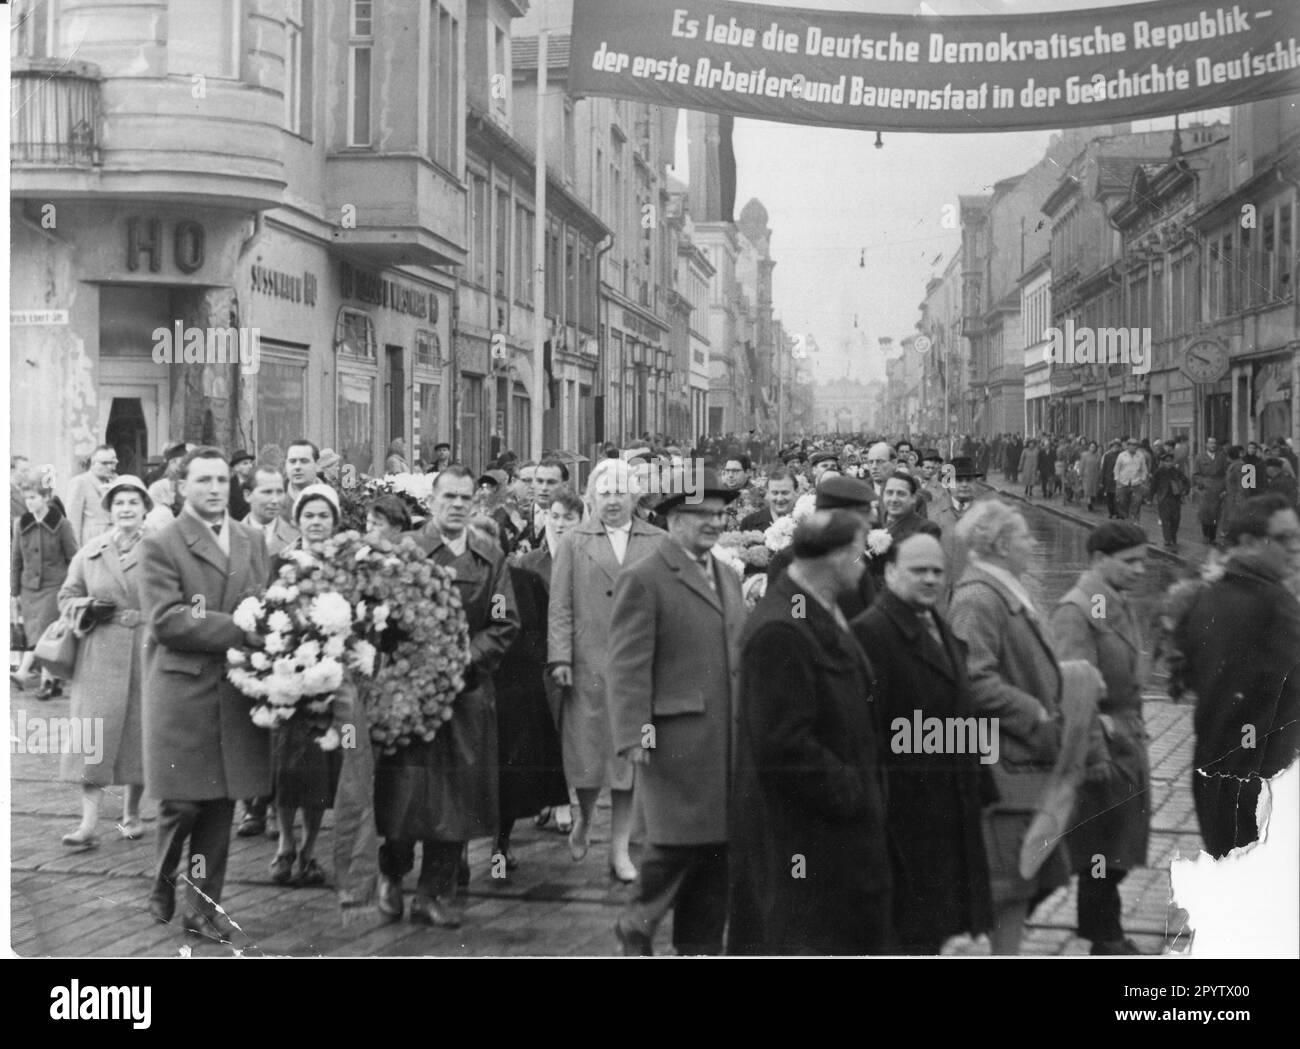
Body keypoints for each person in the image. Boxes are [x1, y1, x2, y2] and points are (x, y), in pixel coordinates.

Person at [729, 511, 891, 955]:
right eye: (858, 555)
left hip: (829, 835)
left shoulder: (821, 611)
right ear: (835, 558)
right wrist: (853, 792)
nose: (864, 565)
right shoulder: (782, 628)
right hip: (802, 841)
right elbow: (783, 744)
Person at [606, 470, 747, 956]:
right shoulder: (644, 577)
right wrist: (634, 734)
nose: (714, 523)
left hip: (722, 740)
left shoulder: (727, 574)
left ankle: (699, 946)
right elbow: (626, 664)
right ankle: (636, 923)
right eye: (701, 515)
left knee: (715, 852)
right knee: (672, 847)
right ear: (673, 519)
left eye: (720, 514)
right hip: (674, 742)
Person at [374, 466, 519, 928]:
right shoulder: (406, 550)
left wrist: (463, 660)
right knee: (405, 792)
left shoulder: (490, 557)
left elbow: (504, 621)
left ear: (475, 503)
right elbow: (380, 615)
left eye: (464, 497)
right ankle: (392, 874)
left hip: (466, 691)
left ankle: (433, 893)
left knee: (457, 797)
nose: (457, 505)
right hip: (412, 693)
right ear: (431, 501)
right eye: (448, 496)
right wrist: (415, 660)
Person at [140, 447, 270, 942]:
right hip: (182, 689)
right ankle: (163, 877)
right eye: (203, 481)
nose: (215, 489)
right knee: (183, 803)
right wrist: (240, 629)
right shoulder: (162, 543)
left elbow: (264, 599)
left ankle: (203, 904)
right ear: (182, 486)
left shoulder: (251, 539)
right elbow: (168, 619)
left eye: (221, 480)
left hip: (235, 688)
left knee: (220, 804)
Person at [853, 530, 994, 954]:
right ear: (891, 572)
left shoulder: (938, 624)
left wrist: (981, 784)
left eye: (937, 571)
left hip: (951, 807)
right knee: (909, 933)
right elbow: (864, 733)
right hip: (905, 816)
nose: (931, 579)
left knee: (946, 931)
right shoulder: (872, 633)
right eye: (919, 571)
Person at [948, 500, 1070, 955]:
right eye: (1023, 537)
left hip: (1022, 766)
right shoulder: (979, 597)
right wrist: (1035, 713)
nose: (1031, 544)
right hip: (1005, 768)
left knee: (1020, 887)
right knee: (1009, 888)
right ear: (999, 544)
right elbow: (973, 678)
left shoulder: (1004, 590)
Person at [548, 458, 663, 883]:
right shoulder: (576, 541)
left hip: (637, 668)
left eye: (620, 491)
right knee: (588, 756)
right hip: (588, 664)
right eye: (605, 491)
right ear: (591, 496)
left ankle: (619, 850)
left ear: (634, 496)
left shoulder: (657, 540)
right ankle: (584, 815)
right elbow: (559, 606)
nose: (612, 500)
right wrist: (560, 657)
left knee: (629, 760)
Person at [1177, 493, 1300, 858]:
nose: (1295, 548)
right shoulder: (1262, 603)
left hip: (1228, 782)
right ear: (1248, 543)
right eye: (1283, 539)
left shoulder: (1219, 594)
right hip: (1255, 790)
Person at [1052, 522, 1151, 955]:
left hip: (1127, 737)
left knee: (1117, 841)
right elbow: (1077, 686)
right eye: (1130, 561)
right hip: (1106, 742)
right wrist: (1093, 751)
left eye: (1143, 560)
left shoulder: (1111, 602)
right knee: (1103, 845)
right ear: (1098, 559)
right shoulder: (1078, 609)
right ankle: (1103, 934)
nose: (1141, 569)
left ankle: (1101, 928)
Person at [55, 475, 152, 848]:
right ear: (109, 511)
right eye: (119, 503)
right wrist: (86, 606)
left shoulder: (159, 551)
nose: (126, 509)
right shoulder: (90, 551)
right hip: (98, 654)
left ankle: (132, 814)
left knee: (138, 733)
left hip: (144, 651)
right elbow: (66, 595)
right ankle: (88, 822)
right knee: (92, 736)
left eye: (133, 502)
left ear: (145, 508)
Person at [266, 484, 347, 889]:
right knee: (285, 766)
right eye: (310, 516)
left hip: (328, 683)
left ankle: (310, 848)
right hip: (287, 679)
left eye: (324, 516)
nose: (316, 523)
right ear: (298, 520)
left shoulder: (344, 565)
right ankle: (284, 841)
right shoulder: (279, 562)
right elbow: (266, 610)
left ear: (334, 522)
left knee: (318, 770)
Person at [489, 489, 575, 872]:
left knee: (509, 774)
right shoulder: (464, 580)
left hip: (515, 689)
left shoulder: (523, 580)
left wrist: (531, 665)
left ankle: (500, 845)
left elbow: (544, 626)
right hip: (481, 684)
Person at [10, 471, 79, 698]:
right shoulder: (21, 524)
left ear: (46, 497)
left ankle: (33, 677)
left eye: (34, 498)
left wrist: (72, 586)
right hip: (29, 589)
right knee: (37, 636)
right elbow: (16, 558)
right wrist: (14, 591)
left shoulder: (61, 524)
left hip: (54, 586)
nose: (30, 503)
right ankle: (52, 682)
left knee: (44, 634)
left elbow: (74, 557)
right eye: (27, 498)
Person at [240, 464, 299, 559]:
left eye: (279, 492)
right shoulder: (228, 538)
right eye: (267, 492)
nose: (275, 500)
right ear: (247, 495)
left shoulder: (295, 537)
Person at [66, 444, 118, 545]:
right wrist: (76, 551)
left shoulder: (115, 481)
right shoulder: (80, 482)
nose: (110, 467)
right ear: (93, 463)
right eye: (104, 463)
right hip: (92, 543)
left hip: (113, 543)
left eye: (112, 463)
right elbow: (73, 522)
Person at [1150, 451, 1188, 550]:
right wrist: (1150, 498)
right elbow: (1153, 486)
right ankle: (1167, 539)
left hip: (1175, 499)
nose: (1169, 463)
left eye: (1171, 461)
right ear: (1163, 462)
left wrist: (1185, 491)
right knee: (1165, 519)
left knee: (1175, 519)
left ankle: (1173, 536)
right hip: (1163, 499)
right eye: (1167, 461)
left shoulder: (1176, 471)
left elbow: (1186, 481)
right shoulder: (1158, 472)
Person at [740, 466, 797, 531]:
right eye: (775, 493)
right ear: (768, 493)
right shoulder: (748, 524)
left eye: (785, 493)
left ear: (795, 492)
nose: (779, 499)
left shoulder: (806, 523)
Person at [1192, 437, 1227, 542]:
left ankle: (1212, 536)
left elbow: (1225, 473)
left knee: (1216, 513)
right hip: (1205, 490)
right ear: (1206, 444)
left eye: (1215, 443)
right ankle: (1205, 534)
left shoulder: (1221, 457)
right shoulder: (1200, 457)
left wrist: (1224, 487)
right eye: (1211, 443)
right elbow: (1195, 474)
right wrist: (1201, 483)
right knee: (1205, 513)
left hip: (1218, 489)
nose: (1213, 445)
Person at [1215, 445, 1250, 546]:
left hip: (1236, 500)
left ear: (1230, 456)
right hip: (1230, 498)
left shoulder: (1239, 466)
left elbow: (1243, 485)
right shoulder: (1234, 465)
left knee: (1235, 521)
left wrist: (1239, 500)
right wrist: (1225, 491)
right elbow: (1231, 482)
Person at [281, 439, 322, 523]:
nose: (297, 467)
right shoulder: (275, 502)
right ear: (286, 465)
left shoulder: (338, 499)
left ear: (317, 465)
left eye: (304, 461)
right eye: (292, 461)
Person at [1113, 437, 1149, 522]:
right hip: (1123, 482)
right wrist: (1117, 479)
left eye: (1135, 445)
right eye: (1132, 445)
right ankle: (1125, 518)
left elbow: (1144, 469)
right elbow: (1116, 468)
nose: (1134, 447)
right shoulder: (1122, 455)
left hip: (1136, 483)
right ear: (1128, 446)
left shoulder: (1140, 456)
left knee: (1137, 501)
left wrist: (1143, 479)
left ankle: (1134, 518)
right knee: (1121, 501)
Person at [228, 450, 254, 521]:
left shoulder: (255, 484)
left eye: (250, 463)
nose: (250, 466)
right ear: (236, 468)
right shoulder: (228, 486)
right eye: (245, 463)